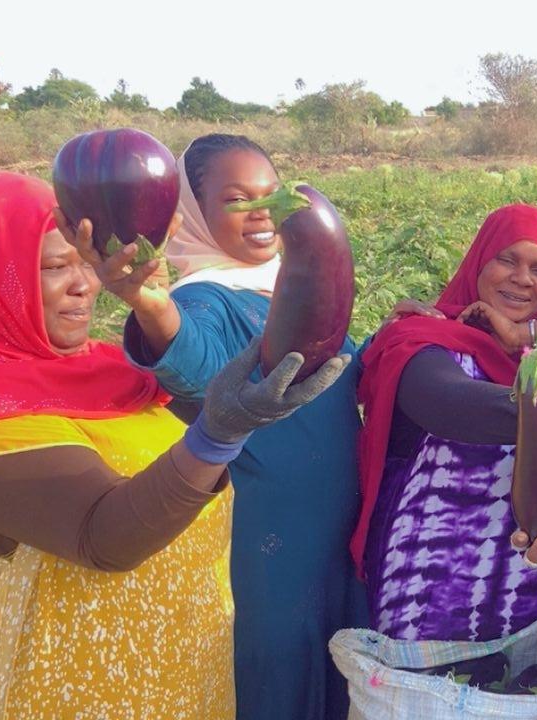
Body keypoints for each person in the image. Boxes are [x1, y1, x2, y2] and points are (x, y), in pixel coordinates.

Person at [0, 170, 345, 719]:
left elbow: (194, 401)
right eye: (51, 267)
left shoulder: (104, 366)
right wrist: (217, 436)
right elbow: (103, 535)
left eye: (83, 263)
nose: (84, 285)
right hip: (55, 697)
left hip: (176, 686)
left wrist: (156, 307)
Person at [72, 133, 367, 720]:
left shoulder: (297, 285)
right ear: (191, 215)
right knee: (276, 688)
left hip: (334, 535)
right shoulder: (204, 297)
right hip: (267, 547)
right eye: (236, 199)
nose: (261, 213)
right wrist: (151, 307)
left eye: (270, 195)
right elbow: (205, 373)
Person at [354, 204, 537, 641]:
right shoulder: (420, 337)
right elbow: (451, 404)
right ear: (478, 261)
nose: (522, 278)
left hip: (528, 595)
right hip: (422, 594)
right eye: (506, 260)